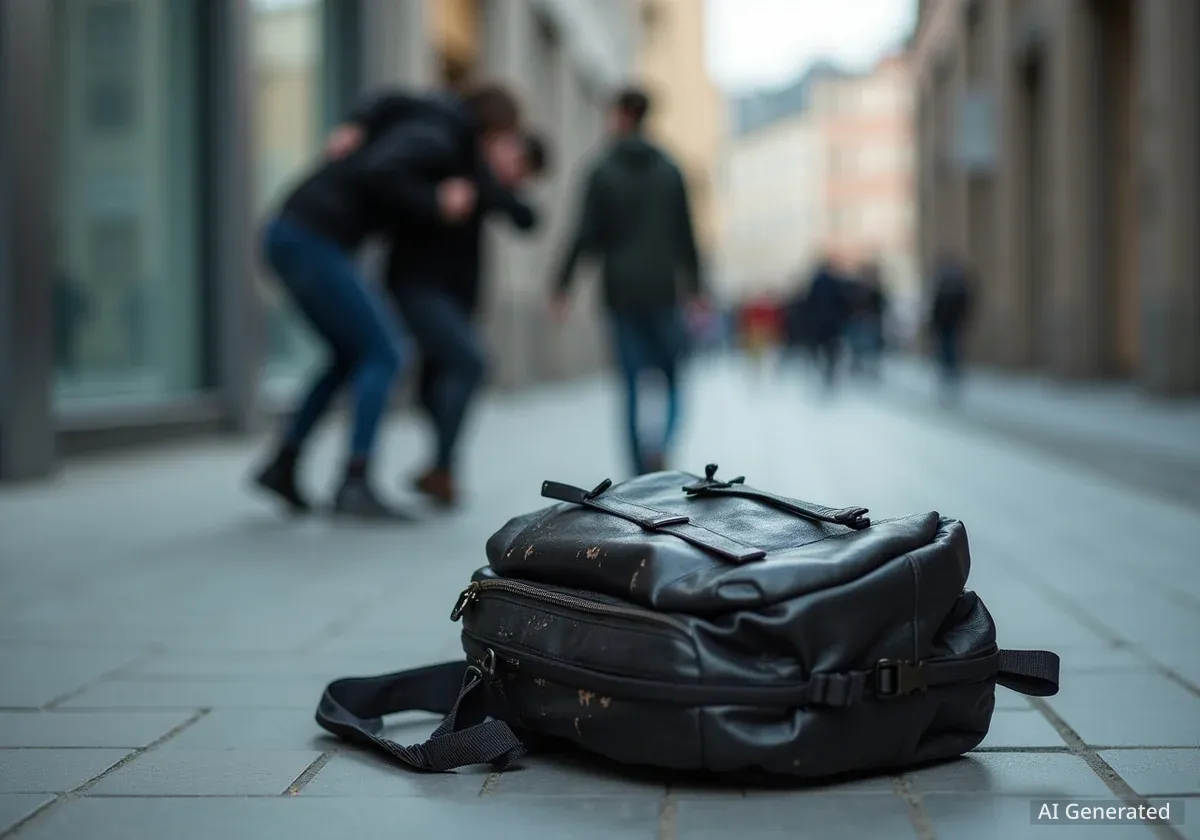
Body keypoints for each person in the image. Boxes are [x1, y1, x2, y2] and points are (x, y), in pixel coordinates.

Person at [250, 83, 525, 519]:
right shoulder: (438, 137)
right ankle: (354, 481)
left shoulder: (434, 124)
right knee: (386, 352)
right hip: (311, 237)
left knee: (350, 356)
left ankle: (284, 463)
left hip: (301, 235)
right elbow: (380, 169)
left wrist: (357, 122)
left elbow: (388, 103)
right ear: (490, 132)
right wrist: (434, 199)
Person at [550, 86, 703, 476]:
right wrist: (697, 288)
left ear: (621, 116)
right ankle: (661, 444)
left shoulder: (602, 170)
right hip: (662, 289)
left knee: (631, 382)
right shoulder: (670, 169)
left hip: (619, 291)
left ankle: (638, 469)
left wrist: (562, 285)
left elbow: (584, 233)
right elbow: (686, 235)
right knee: (672, 376)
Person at [394, 131, 550, 507]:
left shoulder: (487, 186)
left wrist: (501, 186)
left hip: (452, 299)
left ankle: (440, 470)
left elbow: (527, 218)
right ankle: (442, 468)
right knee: (469, 364)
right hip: (418, 287)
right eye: (518, 167)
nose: (515, 177)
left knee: (433, 385)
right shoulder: (460, 163)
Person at [805, 256, 853, 391]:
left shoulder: (815, 283)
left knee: (821, 348)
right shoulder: (835, 282)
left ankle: (823, 369)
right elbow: (843, 302)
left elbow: (809, 303)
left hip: (819, 323)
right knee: (831, 349)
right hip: (832, 323)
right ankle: (829, 372)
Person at [929, 253, 973, 395]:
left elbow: (936, 305)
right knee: (951, 346)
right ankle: (951, 371)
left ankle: (948, 372)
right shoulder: (958, 284)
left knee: (947, 347)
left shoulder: (944, 284)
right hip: (952, 323)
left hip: (947, 323)